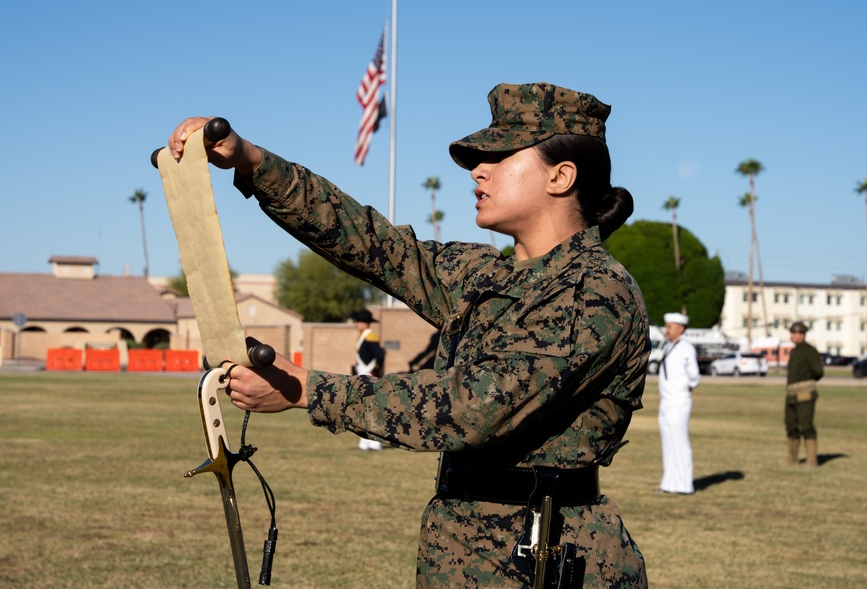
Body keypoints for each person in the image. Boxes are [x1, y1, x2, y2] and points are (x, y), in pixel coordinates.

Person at [166, 82, 650, 587]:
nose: (478, 171)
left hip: (546, 558)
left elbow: (473, 407)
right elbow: (365, 239)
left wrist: (310, 389)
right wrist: (252, 161)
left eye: (500, 156)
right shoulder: (484, 274)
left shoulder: (594, 290)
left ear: (561, 176)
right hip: (463, 548)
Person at [656, 312, 701, 495]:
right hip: (666, 401)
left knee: (680, 443)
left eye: (670, 327)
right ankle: (669, 483)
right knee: (668, 443)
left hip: (678, 401)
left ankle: (684, 485)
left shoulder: (685, 347)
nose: (666, 330)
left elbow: (694, 376)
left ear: (681, 329)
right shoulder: (669, 346)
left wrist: (685, 388)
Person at [784, 321, 824, 467]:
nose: (792, 336)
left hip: (805, 394)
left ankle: (811, 460)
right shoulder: (794, 352)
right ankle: (792, 458)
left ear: (802, 334)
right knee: (791, 425)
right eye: (792, 333)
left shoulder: (810, 351)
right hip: (791, 394)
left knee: (806, 425)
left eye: (795, 333)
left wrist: (807, 381)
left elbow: (818, 371)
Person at [351, 309, 386, 451]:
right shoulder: (363, 336)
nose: (357, 324)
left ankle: (375, 443)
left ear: (365, 323)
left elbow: (380, 355)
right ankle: (365, 442)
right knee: (363, 409)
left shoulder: (370, 336)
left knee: (372, 409)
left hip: (369, 375)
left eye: (359, 322)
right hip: (363, 375)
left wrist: (375, 371)